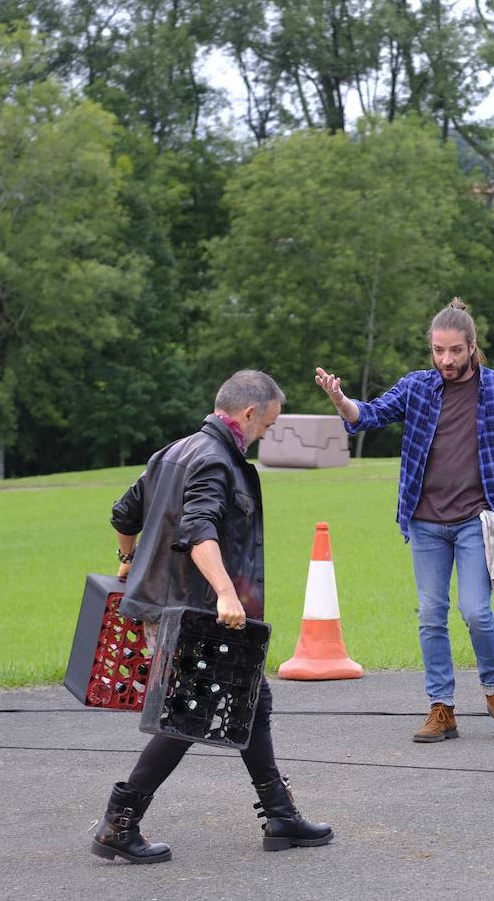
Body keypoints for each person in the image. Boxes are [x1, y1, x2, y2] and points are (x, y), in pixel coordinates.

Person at [314, 298, 494, 744]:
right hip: (424, 524)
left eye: (455, 351)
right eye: (438, 351)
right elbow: (368, 415)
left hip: (475, 523)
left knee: (477, 612)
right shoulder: (417, 388)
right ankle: (441, 709)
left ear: (472, 347)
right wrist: (340, 399)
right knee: (430, 615)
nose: (445, 360)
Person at [90, 370, 333, 864]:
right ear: (248, 414)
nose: (268, 431)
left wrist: (126, 559)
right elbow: (200, 530)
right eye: (268, 421)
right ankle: (120, 820)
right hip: (195, 609)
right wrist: (225, 592)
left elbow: (123, 514)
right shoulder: (216, 461)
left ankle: (280, 814)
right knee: (187, 717)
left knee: (252, 701)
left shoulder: (174, 451)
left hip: (170, 605)